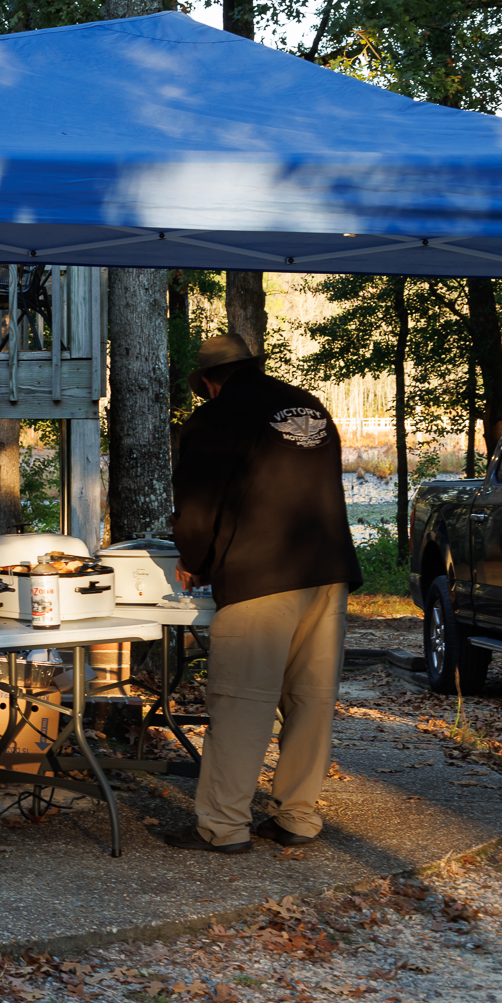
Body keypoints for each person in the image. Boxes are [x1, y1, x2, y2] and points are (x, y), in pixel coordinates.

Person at [162, 332, 362, 854]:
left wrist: (193, 559)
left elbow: (197, 508)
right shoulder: (308, 406)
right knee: (311, 699)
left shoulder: (215, 418)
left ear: (210, 381)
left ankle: (223, 826)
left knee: (242, 703)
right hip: (327, 571)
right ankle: (297, 817)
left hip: (260, 576)